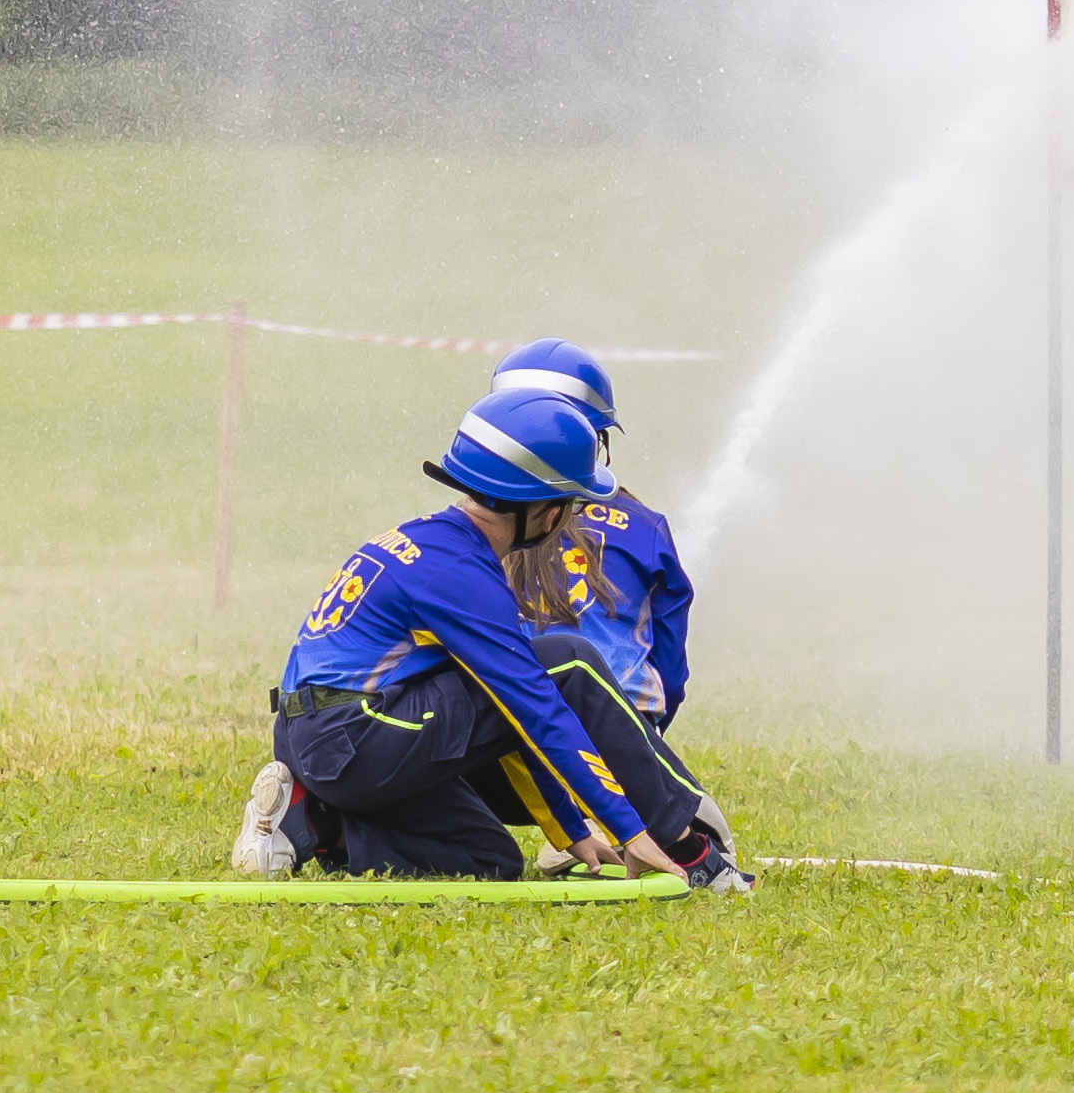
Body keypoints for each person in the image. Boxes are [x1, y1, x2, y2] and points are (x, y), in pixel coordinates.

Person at [231, 375, 717, 883]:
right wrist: (632, 835)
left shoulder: (437, 542)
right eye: (570, 505)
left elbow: (508, 711)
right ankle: (686, 847)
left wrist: (571, 834)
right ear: (545, 511)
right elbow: (535, 707)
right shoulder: (458, 575)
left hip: (326, 740)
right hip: (349, 741)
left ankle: (314, 820)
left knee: (491, 861)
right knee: (568, 663)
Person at [494, 335, 727, 875]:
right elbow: (669, 668)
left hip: (512, 741)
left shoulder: (477, 528)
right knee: (712, 837)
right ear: (596, 440)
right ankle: (610, 819)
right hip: (625, 737)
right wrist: (647, 746)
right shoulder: (644, 528)